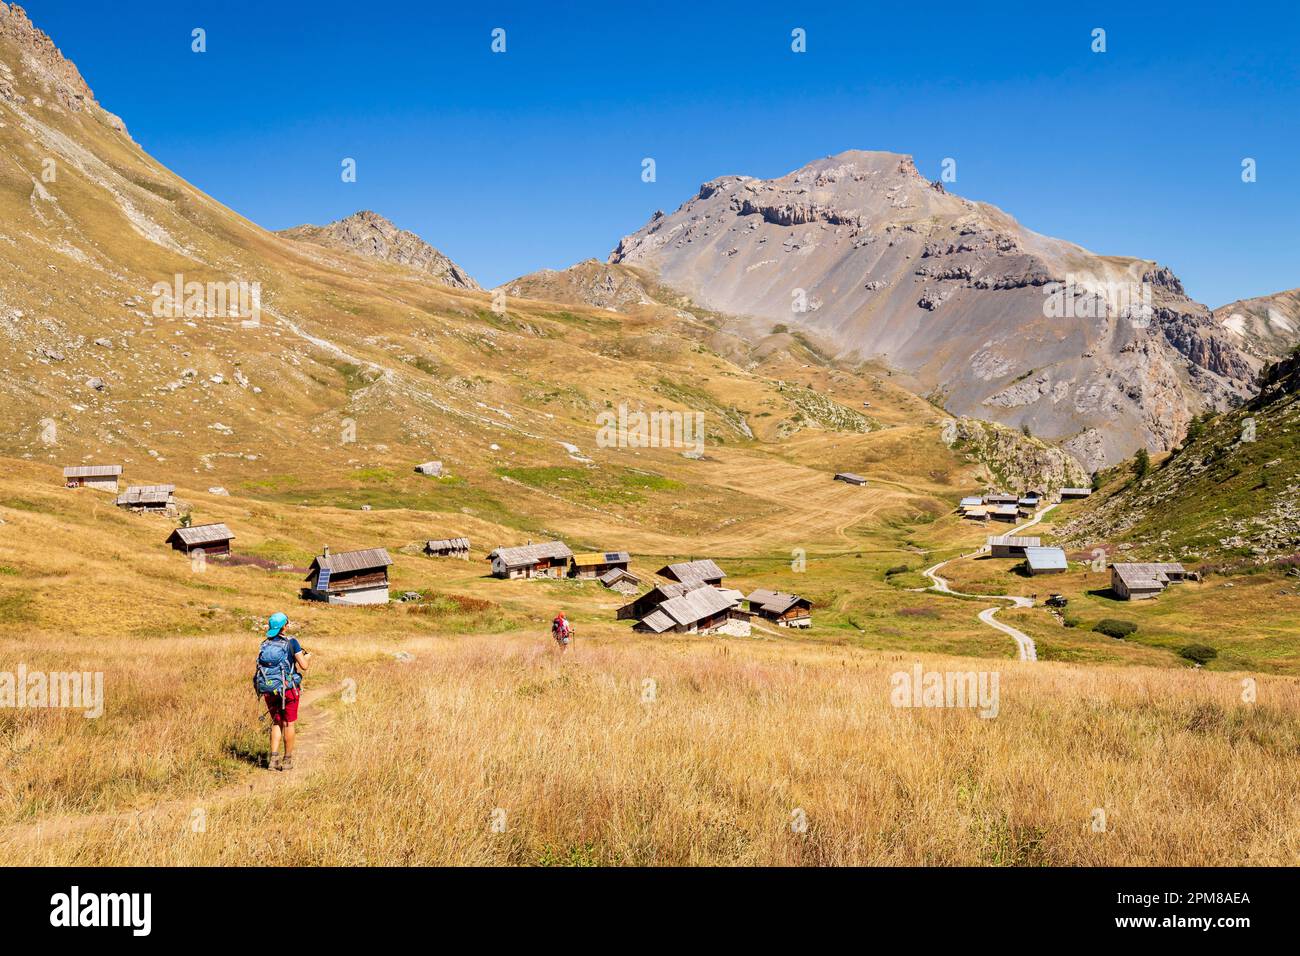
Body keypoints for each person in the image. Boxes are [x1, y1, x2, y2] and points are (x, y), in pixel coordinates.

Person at [254, 612, 310, 771]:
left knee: (276, 722)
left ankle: (273, 760)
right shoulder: (292, 643)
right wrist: (308, 657)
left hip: (269, 689)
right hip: (288, 690)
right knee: (288, 723)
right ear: (285, 626)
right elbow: (304, 666)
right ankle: (287, 760)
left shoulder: (265, 644)